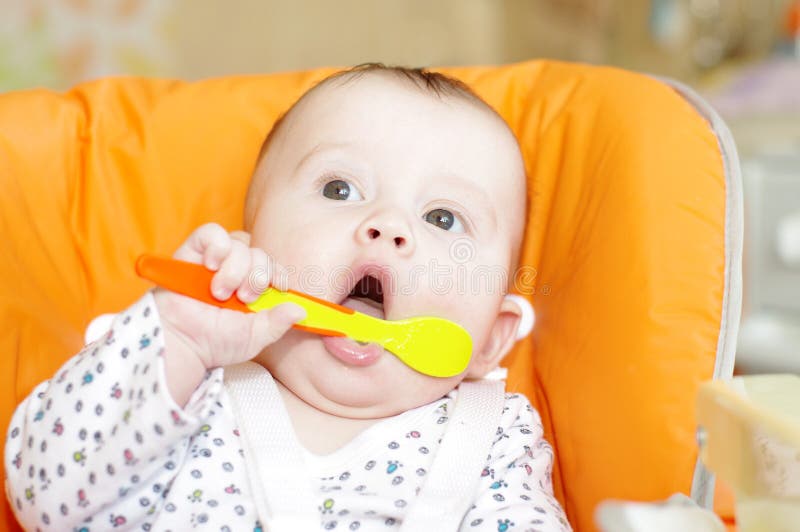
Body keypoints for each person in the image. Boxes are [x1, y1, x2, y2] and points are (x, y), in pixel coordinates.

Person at [5, 64, 571, 531]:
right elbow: (41, 497)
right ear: (250, 250)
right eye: (339, 189)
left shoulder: (496, 439)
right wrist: (177, 333)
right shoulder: (177, 380)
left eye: (443, 218)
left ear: (491, 340)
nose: (388, 225)